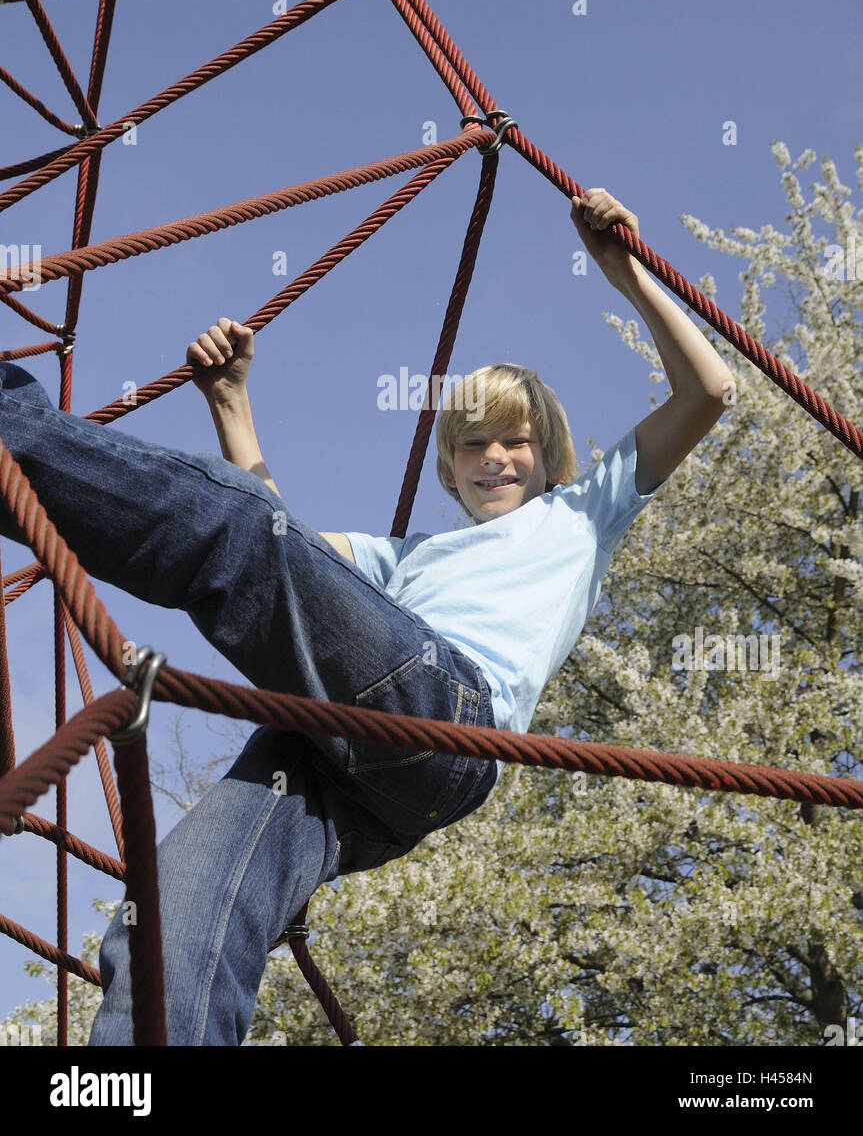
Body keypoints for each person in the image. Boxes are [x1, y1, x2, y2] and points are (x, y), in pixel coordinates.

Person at [0, 189, 732, 1045]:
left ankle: (12, 427)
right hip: (346, 766)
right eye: (471, 444)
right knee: (173, 915)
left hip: (449, 716)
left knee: (240, 527)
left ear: (551, 456)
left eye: (516, 440)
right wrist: (230, 402)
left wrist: (623, 270)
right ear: (448, 473)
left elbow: (708, 389)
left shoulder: (580, 514)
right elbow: (286, 549)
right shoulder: (407, 558)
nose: (494, 456)